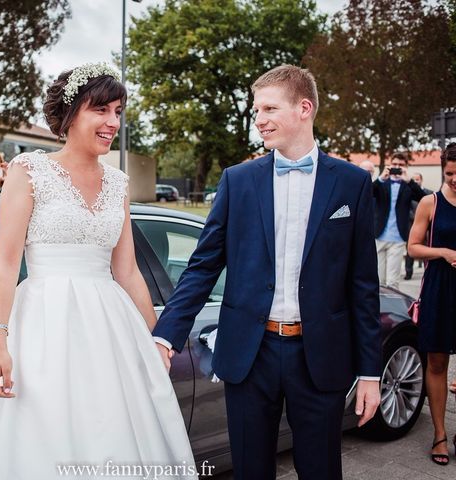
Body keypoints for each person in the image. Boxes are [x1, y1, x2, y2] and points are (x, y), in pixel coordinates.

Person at [0, 64, 197, 479]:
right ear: (73, 112)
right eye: (102, 110)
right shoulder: (28, 172)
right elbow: (5, 265)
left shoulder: (118, 183)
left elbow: (128, 271)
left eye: (118, 111)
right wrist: (0, 343)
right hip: (44, 328)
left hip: (111, 330)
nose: (113, 122)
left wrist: (157, 339)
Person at [153, 65, 381, 480]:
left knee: (321, 470)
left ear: (304, 109)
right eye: (256, 109)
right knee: (251, 471)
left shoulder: (351, 183)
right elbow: (202, 267)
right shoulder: (237, 181)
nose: (259, 119)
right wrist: (166, 335)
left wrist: (370, 372)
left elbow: (363, 285)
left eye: (270, 108)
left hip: (320, 356)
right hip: (249, 354)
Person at [408, 143, 456, 466]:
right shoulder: (430, 203)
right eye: (450, 173)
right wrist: (442, 252)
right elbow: (412, 247)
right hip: (440, 289)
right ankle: (440, 434)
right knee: (436, 363)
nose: (454, 179)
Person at [373, 153, 427, 289]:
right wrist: (380, 178)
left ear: (406, 167)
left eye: (401, 165)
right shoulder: (382, 183)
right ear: (390, 165)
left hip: (398, 238)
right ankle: (378, 310)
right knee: (378, 281)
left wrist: (409, 181)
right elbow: (367, 192)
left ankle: (391, 310)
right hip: (379, 236)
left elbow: (423, 198)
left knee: (392, 283)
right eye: (394, 164)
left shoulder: (408, 185)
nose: (397, 167)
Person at [404, 172, 432, 280]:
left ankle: (427, 270)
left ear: (422, 180)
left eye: (417, 179)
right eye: (413, 179)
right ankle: (408, 272)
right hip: (412, 223)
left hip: (428, 227)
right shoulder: (409, 193)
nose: (416, 181)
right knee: (410, 249)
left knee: (427, 249)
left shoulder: (429, 193)